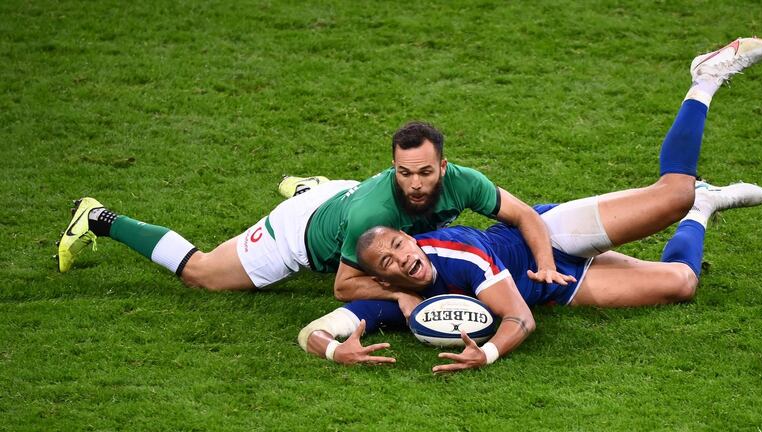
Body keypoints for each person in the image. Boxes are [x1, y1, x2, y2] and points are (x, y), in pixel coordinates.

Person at [297, 37, 762, 372]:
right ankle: (702, 208)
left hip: (550, 236)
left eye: (400, 246)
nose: (403, 259)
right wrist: (337, 350)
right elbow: (314, 331)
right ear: (382, 279)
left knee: (672, 194)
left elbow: (519, 319)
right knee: (681, 284)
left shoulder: (457, 251)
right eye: (389, 263)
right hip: (552, 288)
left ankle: (705, 78)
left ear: (409, 237)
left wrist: (486, 353)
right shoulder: (398, 297)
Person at [56, 123, 574, 305]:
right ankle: (98, 217)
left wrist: (547, 264)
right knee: (204, 274)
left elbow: (525, 216)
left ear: (443, 165)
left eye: (424, 172)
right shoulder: (375, 210)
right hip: (300, 235)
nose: (415, 184)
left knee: (369, 229)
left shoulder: (465, 181)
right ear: (392, 167)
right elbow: (344, 286)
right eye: (403, 173)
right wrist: (403, 294)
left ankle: (316, 190)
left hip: (346, 199)